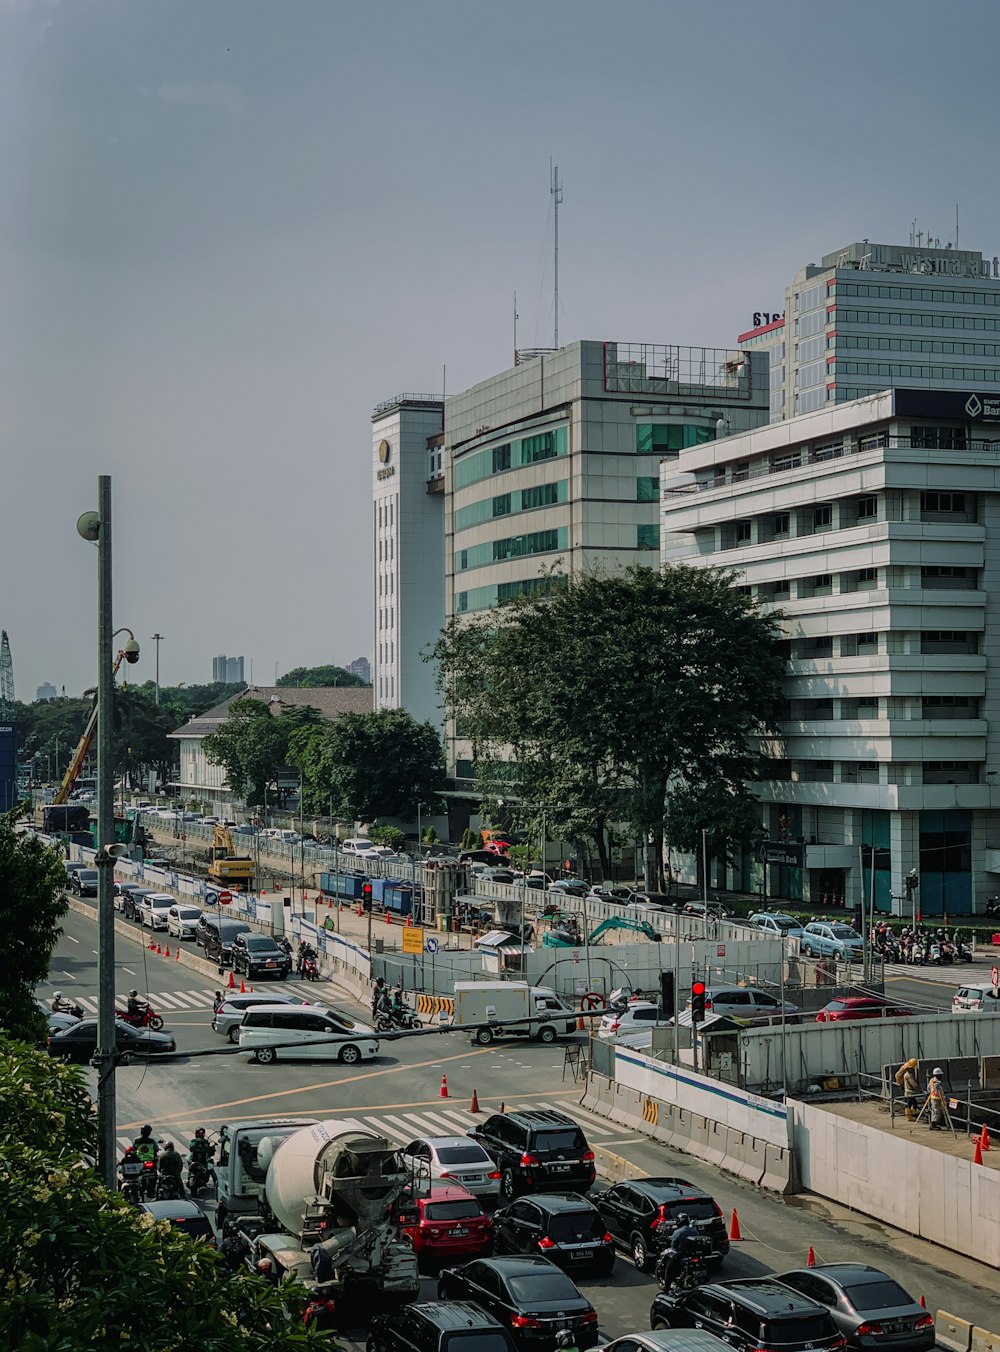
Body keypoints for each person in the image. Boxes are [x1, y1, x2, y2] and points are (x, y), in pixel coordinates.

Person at [659, 1212, 702, 1292]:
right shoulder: (694, 1231)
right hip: (693, 1255)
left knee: (668, 1269)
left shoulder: (678, 1232)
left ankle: (667, 1288)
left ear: (679, 1222)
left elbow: (674, 1245)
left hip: (680, 1254)